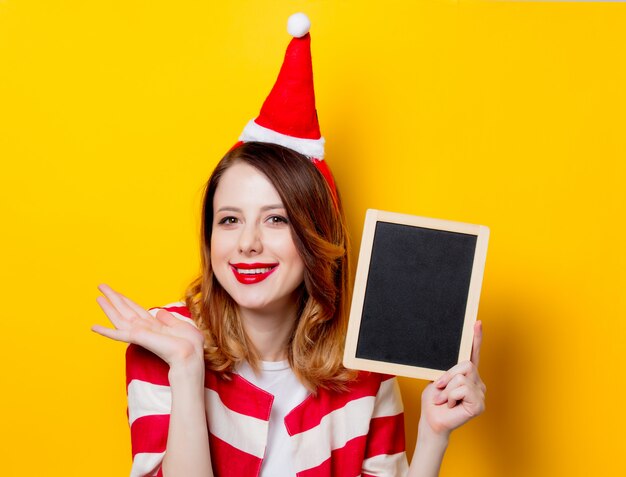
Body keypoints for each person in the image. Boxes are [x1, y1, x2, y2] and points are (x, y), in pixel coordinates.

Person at [92, 14, 485, 477]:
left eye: (276, 219)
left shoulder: (366, 366)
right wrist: (185, 368)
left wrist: (435, 435)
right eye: (230, 220)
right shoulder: (165, 343)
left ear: (315, 235)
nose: (247, 244)